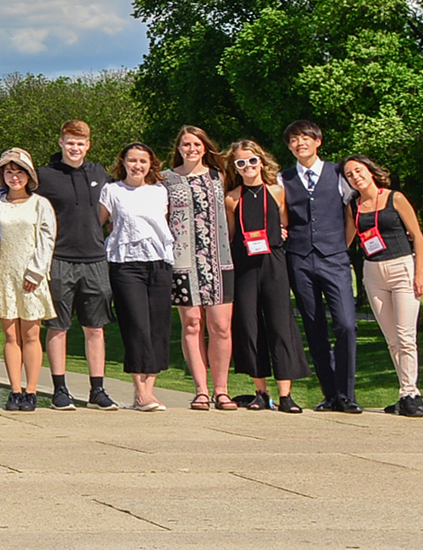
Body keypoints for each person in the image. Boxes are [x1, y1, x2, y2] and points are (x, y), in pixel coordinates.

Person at [34, 121, 115, 410]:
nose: (75, 147)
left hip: (94, 259)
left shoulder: (98, 172)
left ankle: (98, 390)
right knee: (58, 327)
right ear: (61, 142)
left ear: (88, 145)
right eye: (70, 142)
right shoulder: (45, 176)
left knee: (96, 328)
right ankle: (60, 390)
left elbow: (105, 212)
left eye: (80, 143)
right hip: (59, 259)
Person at [281, 120, 360, 414]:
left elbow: (351, 217)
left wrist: (340, 247)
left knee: (346, 325)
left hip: (335, 258)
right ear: (289, 146)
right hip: (299, 259)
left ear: (318, 141)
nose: (300, 143)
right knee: (315, 328)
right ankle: (329, 394)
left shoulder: (339, 174)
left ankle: (347, 393)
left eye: (305, 138)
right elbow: (283, 217)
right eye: (293, 139)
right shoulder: (283, 178)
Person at [342, 156, 423, 418]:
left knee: (406, 336)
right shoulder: (353, 206)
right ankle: (405, 393)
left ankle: (411, 393)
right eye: (349, 175)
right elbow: (346, 240)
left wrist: (420, 272)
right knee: (392, 339)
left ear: (370, 171)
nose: (356, 176)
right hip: (373, 272)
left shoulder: (395, 198)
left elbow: (418, 237)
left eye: (359, 171)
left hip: (402, 267)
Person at [226, 139, 308, 413]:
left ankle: (286, 395)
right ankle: (260, 391)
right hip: (245, 265)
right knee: (249, 326)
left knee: (280, 325)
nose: (248, 166)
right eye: (241, 162)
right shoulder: (232, 197)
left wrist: (280, 234)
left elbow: (283, 223)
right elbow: (230, 235)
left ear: (261, 161)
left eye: (252, 160)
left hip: (273, 262)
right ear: (235, 167)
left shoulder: (276, 191)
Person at [163, 126, 235, 411]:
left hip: (219, 260)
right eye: (185, 144)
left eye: (196, 144)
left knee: (221, 326)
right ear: (178, 148)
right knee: (192, 324)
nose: (191, 149)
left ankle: (222, 390)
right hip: (183, 263)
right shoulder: (166, 179)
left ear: (205, 147)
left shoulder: (221, 177)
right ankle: (201, 390)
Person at [102, 142, 175, 412]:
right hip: (125, 264)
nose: (137, 166)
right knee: (136, 326)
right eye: (132, 160)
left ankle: (149, 391)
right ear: (123, 162)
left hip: (159, 262)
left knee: (158, 327)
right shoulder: (112, 191)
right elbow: (99, 222)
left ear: (150, 164)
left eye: (142, 161)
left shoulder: (159, 191)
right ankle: (140, 390)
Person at [0, 149, 55, 411]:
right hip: (3, 274)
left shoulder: (40, 204)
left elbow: (47, 239)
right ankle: (14, 390)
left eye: (19, 172)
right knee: (10, 335)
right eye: (8, 172)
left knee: (31, 334)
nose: (14, 177)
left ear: (28, 175)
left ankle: (31, 390)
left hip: (31, 276)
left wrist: (36, 272)